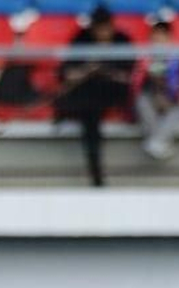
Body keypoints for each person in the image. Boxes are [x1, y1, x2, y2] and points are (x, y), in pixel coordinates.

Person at [54, 4, 136, 186]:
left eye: (106, 28)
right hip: (87, 91)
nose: (103, 33)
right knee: (88, 110)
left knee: (90, 104)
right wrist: (87, 68)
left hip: (112, 90)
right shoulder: (81, 39)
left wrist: (107, 70)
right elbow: (66, 74)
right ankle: (95, 169)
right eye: (99, 29)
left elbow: (131, 76)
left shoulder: (122, 40)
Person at [132, 17, 179, 160]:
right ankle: (159, 142)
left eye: (162, 35)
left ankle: (155, 141)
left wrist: (171, 97)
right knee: (141, 101)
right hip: (154, 98)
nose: (158, 38)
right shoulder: (145, 59)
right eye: (155, 35)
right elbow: (142, 85)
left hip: (174, 99)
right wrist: (158, 95)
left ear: (169, 37)